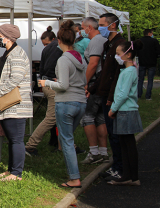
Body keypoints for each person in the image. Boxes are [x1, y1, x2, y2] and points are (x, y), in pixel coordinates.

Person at [41, 20, 87, 189]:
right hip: (80, 101)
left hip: (66, 102)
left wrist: (46, 83)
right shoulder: (79, 57)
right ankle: (74, 175)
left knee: (66, 141)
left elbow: (63, 86)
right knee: (69, 139)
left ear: (59, 41)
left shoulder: (63, 59)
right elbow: (81, 80)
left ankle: (74, 178)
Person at [0, 24, 32, 181]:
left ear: (7, 37)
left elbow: (15, 78)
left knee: (16, 139)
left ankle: (16, 173)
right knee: (12, 139)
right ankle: (11, 170)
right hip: (9, 104)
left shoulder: (16, 54)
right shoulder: (9, 53)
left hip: (16, 105)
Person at [88, 13, 125, 181]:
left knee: (115, 134)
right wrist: (93, 88)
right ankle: (116, 165)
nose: (99, 28)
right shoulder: (108, 44)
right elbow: (104, 72)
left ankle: (120, 168)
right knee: (111, 132)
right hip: (103, 93)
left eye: (102, 25)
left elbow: (117, 74)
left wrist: (111, 97)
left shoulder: (120, 44)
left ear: (112, 25)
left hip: (112, 96)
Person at [107, 40, 144, 186]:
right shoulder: (129, 70)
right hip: (126, 110)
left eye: (118, 54)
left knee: (127, 144)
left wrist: (113, 108)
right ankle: (130, 176)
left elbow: (123, 94)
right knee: (126, 144)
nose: (116, 57)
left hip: (125, 111)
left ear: (128, 55)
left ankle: (131, 176)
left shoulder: (129, 71)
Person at [25, 27, 61, 156]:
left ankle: (62, 143)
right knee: (51, 118)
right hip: (53, 84)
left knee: (59, 117)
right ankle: (31, 145)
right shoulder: (58, 48)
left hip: (48, 84)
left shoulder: (47, 49)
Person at [80, 17, 109, 166]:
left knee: (87, 117)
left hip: (94, 84)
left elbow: (93, 63)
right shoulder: (102, 40)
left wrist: (85, 83)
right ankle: (103, 152)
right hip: (100, 84)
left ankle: (94, 152)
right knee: (100, 118)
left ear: (88, 28)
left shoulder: (96, 41)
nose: (81, 30)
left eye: (82, 27)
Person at [136, 29, 160, 100]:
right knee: (150, 80)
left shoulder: (140, 41)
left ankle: (139, 95)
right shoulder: (154, 41)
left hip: (142, 62)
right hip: (152, 63)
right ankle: (148, 96)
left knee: (140, 80)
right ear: (150, 33)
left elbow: (137, 51)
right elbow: (158, 52)